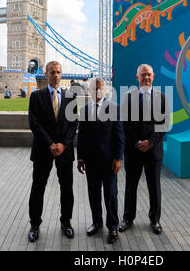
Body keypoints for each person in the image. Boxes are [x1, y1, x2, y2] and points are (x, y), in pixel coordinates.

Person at [28, 61, 78, 243]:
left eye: (58, 72)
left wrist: (63, 145)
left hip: (64, 151)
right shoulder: (36, 96)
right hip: (43, 149)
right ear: (46, 74)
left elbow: (73, 124)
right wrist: (50, 144)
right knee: (38, 189)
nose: (55, 75)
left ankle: (66, 222)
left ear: (61, 74)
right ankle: (34, 224)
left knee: (67, 188)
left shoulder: (71, 97)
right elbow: (34, 123)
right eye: (52, 72)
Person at [119, 64, 169, 235]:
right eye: (143, 75)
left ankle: (155, 220)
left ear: (153, 76)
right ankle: (127, 218)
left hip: (153, 151)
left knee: (154, 186)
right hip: (133, 151)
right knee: (130, 186)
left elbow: (163, 125)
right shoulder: (128, 97)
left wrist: (150, 142)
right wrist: (138, 142)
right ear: (137, 77)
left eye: (148, 75)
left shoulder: (162, 97)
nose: (146, 78)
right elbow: (125, 124)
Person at [77, 78, 125, 244]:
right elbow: (81, 136)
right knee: (93, 193)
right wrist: (80, 158)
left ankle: (112, 227)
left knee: (110, 195)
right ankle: (97, 222)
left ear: (104, 91)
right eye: (94, 89)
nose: (98, 91)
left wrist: (119, 158)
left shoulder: (114, 108)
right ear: (89, 91)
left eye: (100, 89)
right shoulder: (84, 110)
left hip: (109, 161)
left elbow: (119, 135)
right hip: (90, 161)